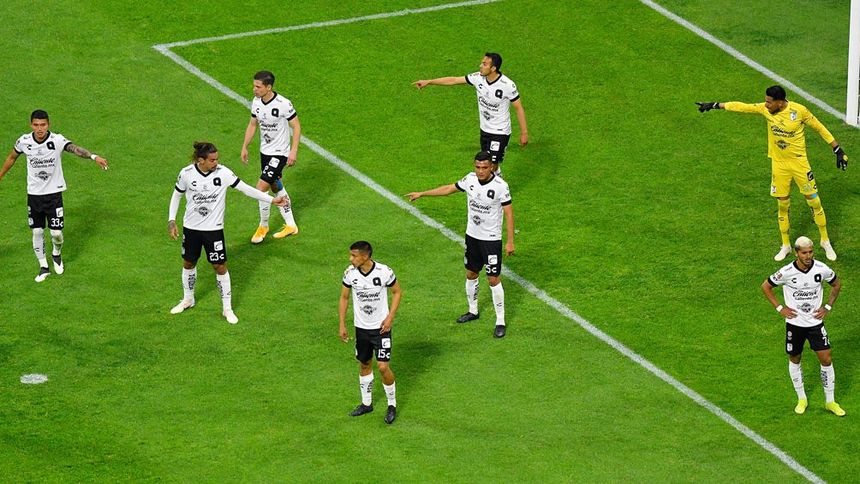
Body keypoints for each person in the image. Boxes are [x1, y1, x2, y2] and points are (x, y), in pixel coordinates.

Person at [697, 85, 847, 262]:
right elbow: (743, 107)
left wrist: (837, 150)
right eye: (766, 101)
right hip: (779, 165)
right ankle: (785, 245)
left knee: (814, 201)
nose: (766, 105)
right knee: (783, 205)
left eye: (769, 102)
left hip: (799, 164)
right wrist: (715, 105)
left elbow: (819, 128)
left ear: (780, 102)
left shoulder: (799, 111)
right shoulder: (766, 109)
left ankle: (825, 241)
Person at [168, 141, 287, 324]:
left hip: (213, 230)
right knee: (188, 263)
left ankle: (227, 309)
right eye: (212, 160)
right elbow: (177, 195)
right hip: (191, 229)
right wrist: (171, 220)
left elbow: (246, 189)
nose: (216, 163)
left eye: (217, 159)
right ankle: (188, 299)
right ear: (201, 160)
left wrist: (271, 200)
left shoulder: (223, 173)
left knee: (219, 266)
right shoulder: (186, 174)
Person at [406, 151, 515, 338]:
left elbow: (509, 213)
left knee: (493, 279)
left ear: (491, 167)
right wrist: (422, 193)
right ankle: (473, 311)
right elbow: (449, 189)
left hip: (490, 240)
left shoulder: (500, 186)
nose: (480, 171)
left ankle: (500, 321)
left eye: (484, 167)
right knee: (471, 273)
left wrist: (510, 241)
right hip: (472, 237)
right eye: (477, 167)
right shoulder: (470, 179)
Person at [0, 109, 109, 282]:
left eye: (43, 125)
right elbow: (12, 157)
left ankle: (56, 254)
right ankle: (43, 267)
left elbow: (74, 149)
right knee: (37, 231)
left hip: (53, 194)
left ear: (48, 124)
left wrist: (93, 157)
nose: (40, 128)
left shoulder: (56, 140)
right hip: (34, 195)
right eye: (36, 125)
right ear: (31, 125)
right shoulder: (24, 141)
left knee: (56, 233)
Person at [761, 236, 845, 417]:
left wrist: (828, 306)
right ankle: (802, 399)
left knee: (826, 359)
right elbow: (766, 286)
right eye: (804, 253)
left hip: (815, 323)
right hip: (794, 324)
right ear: (796, 253)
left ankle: (830, 401)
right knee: (795, 358)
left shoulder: (821, 269)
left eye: (810, 252)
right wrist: (780, 308)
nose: (808, 256)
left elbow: (837, 284)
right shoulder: (786, 272)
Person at [413, 52, 528, 167]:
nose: (480, 66)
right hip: (485, 129)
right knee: (488, 163)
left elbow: (518, 108)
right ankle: (497, 176)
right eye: (481, 63)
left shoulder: (507, 85)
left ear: (493, 68)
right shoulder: (478, 78)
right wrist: (429, 82)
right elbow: (454, 80)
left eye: (484, 64)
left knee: (491, 165)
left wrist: (524, 133)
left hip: (500, 131)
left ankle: (496, 177)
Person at [339, 241, 402, 425]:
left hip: (381, 328)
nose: (350, 259)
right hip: (361, 329)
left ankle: (391, 404)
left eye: (354, 255)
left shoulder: (384, 272)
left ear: (365, 256)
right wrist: (342, 324)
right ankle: (366, 403)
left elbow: (397, 292)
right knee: (364, 364)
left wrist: (390, 318)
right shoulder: (350, 274)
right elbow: (344, 298)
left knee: (382, 367)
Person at [240, 70, 302, 244]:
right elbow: (253, 124)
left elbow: (296, 126)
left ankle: (263, 225)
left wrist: (293, 151)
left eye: (258, 86)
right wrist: (245, 146)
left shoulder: (283, 104)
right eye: (254, 86)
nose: (254, 89)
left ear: (268, 87)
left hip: (280, 153)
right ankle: (291, 225)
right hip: (265, 152)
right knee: (275, 185)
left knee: (260, 188)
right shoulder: (256, 102)